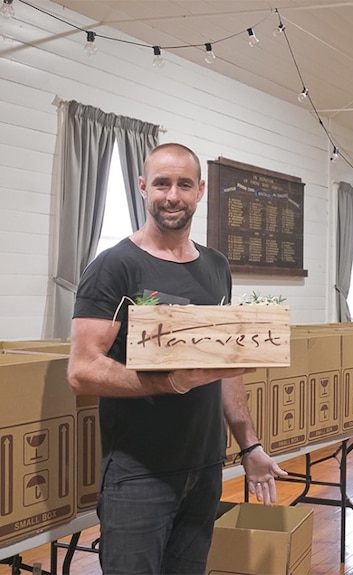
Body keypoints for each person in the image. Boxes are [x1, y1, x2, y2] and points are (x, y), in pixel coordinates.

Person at [67, 143, 288, 574]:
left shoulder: (216, 266)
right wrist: (168, 382)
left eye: (184, 185)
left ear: (200, 190)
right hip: (138, 474)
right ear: (143, 186)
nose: (173, 196)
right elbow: (81, 371)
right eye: (162, 184)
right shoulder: (114, 266)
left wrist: (250, 444)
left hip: (204, 468)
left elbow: (224, 367)